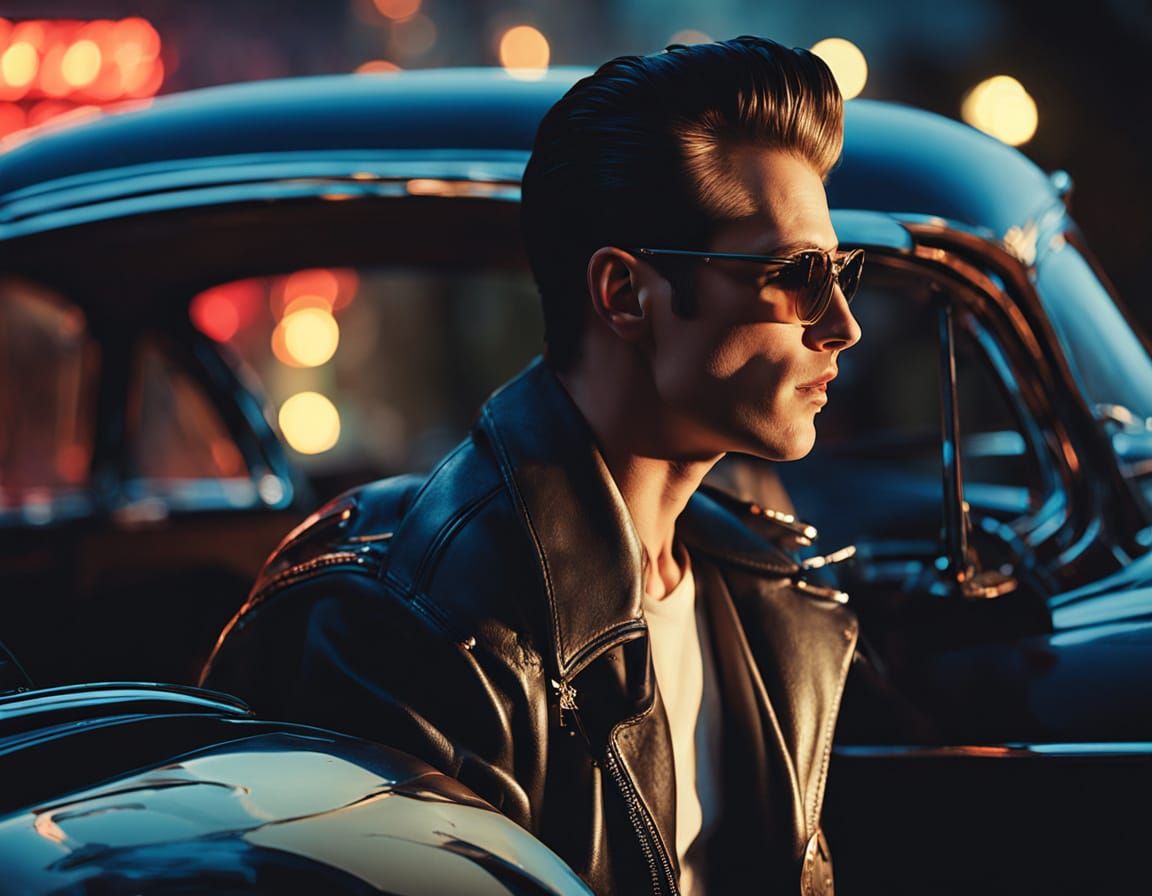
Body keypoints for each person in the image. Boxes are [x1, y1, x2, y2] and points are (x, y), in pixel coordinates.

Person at [202, 36, 863, 895]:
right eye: (794, 274)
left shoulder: (766, 592)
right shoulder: (421, 628)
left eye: (840, 269)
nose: (841, 323)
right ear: (625, 294)